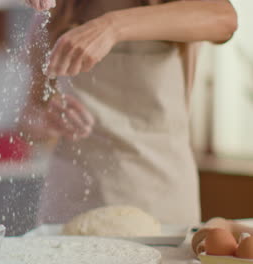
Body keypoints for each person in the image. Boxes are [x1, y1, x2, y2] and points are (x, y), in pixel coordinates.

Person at [20, 0, 237, 225]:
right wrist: (48, 121)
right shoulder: (57, 12)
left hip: (159, 199)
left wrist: (112, 27)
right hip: (72, 202)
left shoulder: (179, 8)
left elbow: (225, 18)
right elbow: (30, 115)